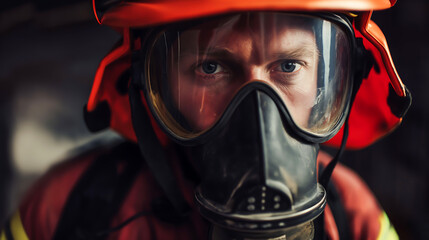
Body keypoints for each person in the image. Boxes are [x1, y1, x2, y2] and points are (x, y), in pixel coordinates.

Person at [1, 0, 412, 239]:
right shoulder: (64, 212)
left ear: (335, 80)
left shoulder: (356, 218)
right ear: (149, 85)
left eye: (288, 65)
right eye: (211, 68)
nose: (258, 116)